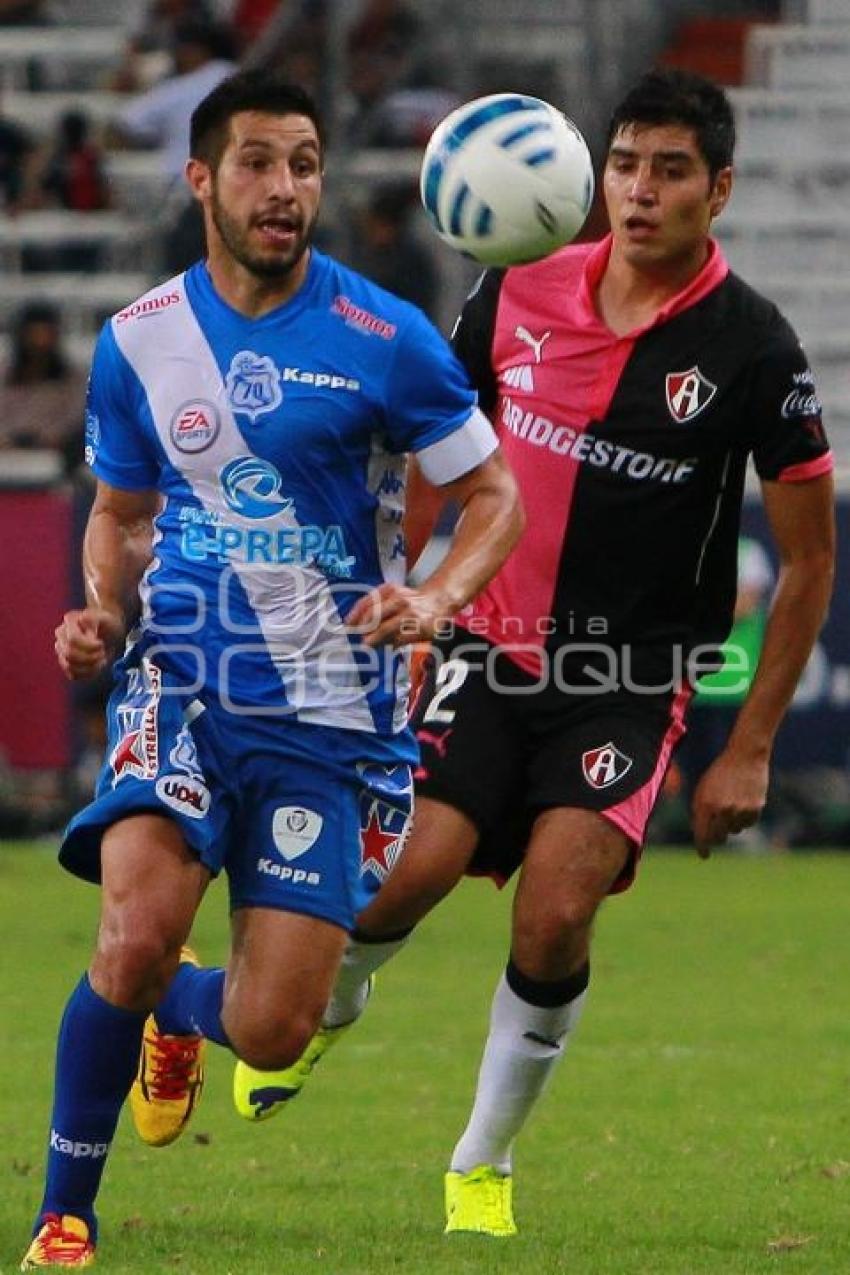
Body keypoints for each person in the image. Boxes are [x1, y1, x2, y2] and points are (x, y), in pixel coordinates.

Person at [231, 68, 836, 1238]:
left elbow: (808, 561)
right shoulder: (513, 290)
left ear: (720, 190)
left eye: (670, 172)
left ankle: (480, 1164)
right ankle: (316, 1013)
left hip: (626, 683)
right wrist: (402, 590)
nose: (639, 192)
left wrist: (747, 748)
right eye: (623, 165)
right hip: (486, 648)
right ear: (595, 172)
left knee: (555, 914)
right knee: (400, 877)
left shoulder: (754, 348)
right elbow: (429, 443)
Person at [20, 69, 522, 1269]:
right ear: (201, 178)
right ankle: (64, 1215)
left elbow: (494, 492)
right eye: (257, 162)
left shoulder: (385, 338)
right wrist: (100, 608)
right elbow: (118, 511)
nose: (285, 187)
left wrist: (438, 596)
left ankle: (181, 1019)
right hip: (184, 682)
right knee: (132, 935)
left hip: (329, 717)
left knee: (276, 1027)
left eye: (303, 163)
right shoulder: (140, 340)